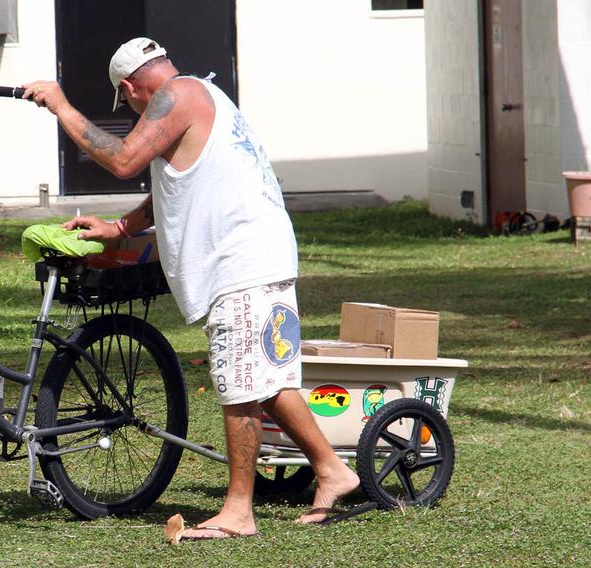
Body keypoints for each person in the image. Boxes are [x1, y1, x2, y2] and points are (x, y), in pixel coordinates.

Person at [22, 37, 359, 539]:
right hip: (259, 256)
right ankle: (333, 471)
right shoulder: (202, 95)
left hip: (241, 263)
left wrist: (61, 105)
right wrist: (118, 229)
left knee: (240, 386)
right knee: (267, 380)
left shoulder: (177, 96)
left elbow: (122, 160)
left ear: (131, 88)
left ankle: (239, 513)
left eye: (128, 101)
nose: (134, 108)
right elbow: (174, 185)